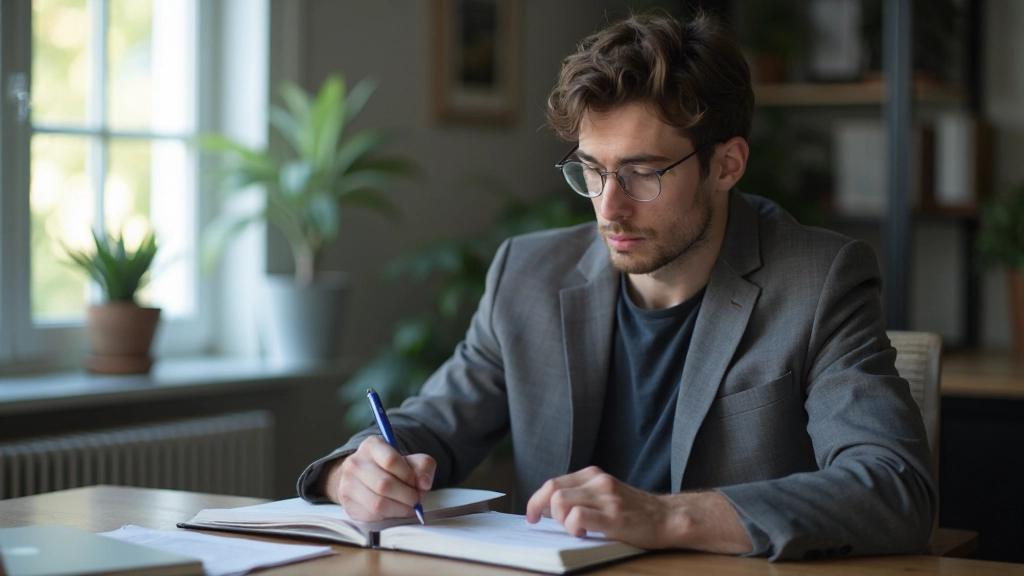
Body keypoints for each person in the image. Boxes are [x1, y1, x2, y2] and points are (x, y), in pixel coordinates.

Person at [297, 11, 936, 561]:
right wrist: (353, 471)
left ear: (727, 164)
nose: (609, 208)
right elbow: (430, 427)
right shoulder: (528, 275)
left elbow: (893, 487)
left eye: (643, 173)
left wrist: (665, 518)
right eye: (592, 171)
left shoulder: (818, 280)